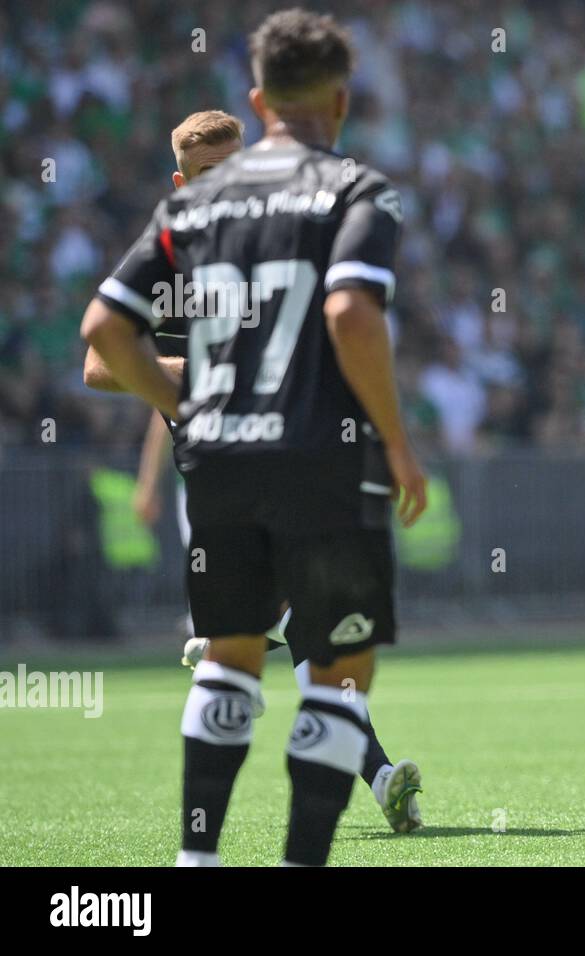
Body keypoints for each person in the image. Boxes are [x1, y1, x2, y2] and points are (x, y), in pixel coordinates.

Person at [80, 9, 427, 865]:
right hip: (316, 455)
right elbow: (350, 313)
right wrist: (395, 440)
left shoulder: (195, 213)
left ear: (258, 98)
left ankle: (198, 858)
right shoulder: (353, 190)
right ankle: (302, 854)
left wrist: (183, 399)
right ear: (341, 100)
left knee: (230, 662)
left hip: (222, 467)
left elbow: (101, 331)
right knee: (338, 662)